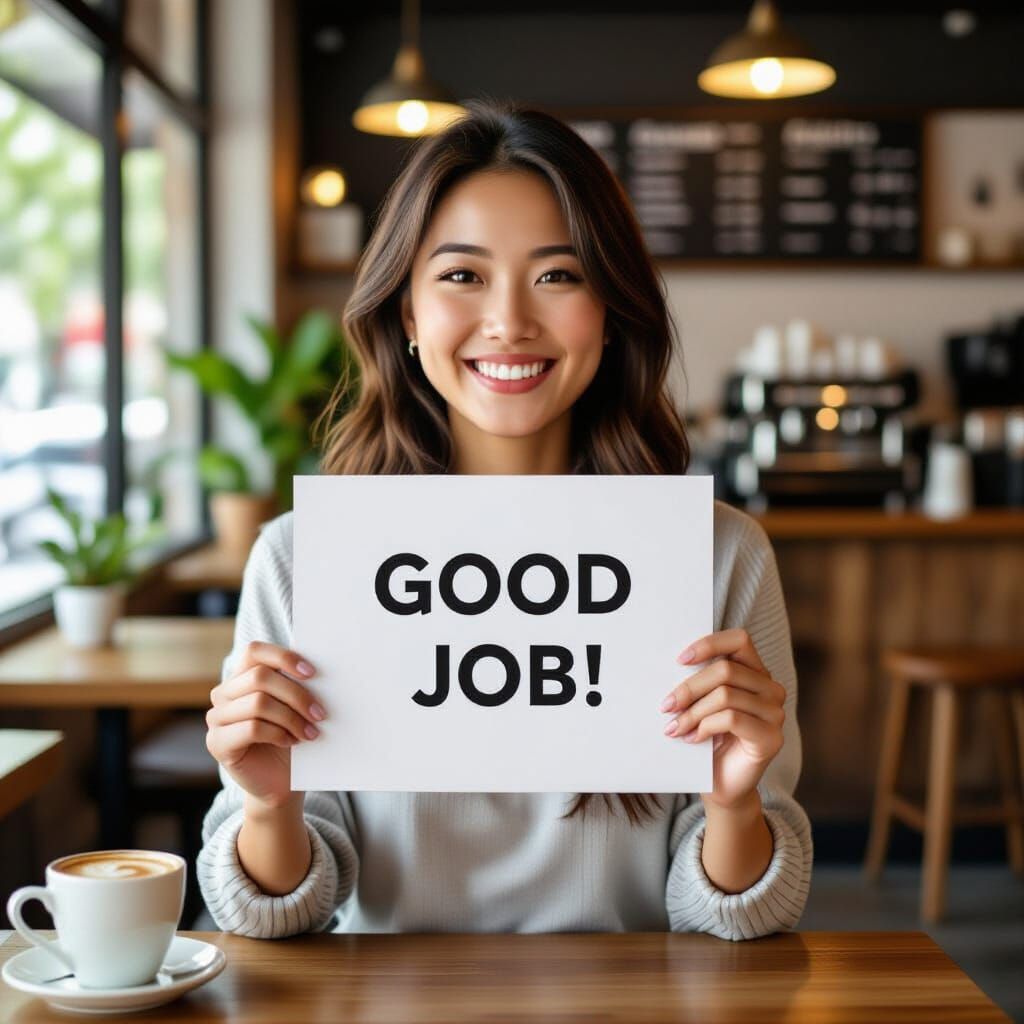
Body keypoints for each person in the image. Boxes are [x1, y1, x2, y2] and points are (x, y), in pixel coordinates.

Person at [198, 99, 812, 941]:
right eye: (462, 275)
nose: (510, 322)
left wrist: (736, 803)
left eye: (558, 275)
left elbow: (740, 917)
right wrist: (269, 808)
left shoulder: (718, 554)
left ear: (610, 309)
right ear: (408, 315)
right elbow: (277, 914)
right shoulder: (304, 558)